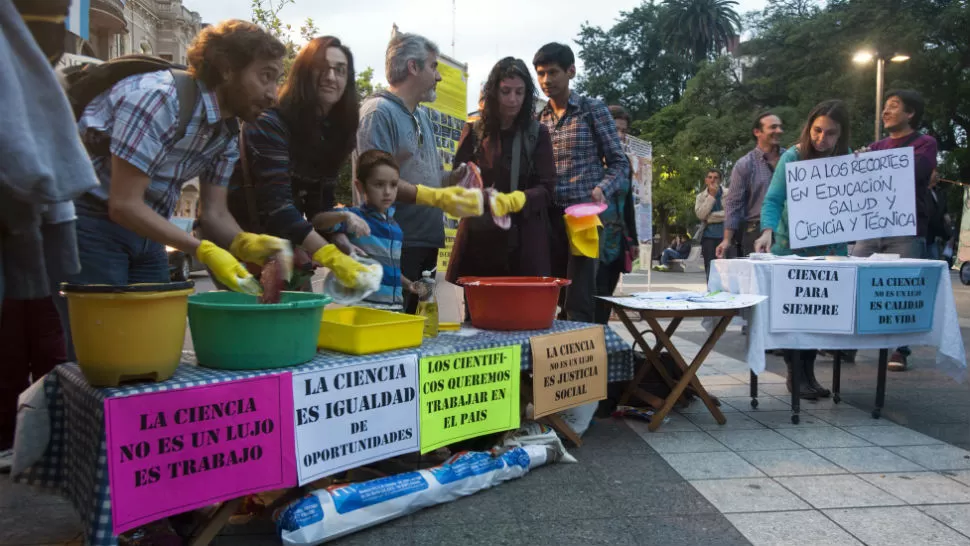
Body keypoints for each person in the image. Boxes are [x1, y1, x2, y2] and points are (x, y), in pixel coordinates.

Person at [71, 20, 292, 297]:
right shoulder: (160, 99)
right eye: (265, 76)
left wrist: (244, 243)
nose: (273, 95)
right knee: (101, 334)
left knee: (155, 330)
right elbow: (124, 204)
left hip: (149, 230)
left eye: (277, 80)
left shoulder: (227, 130)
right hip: (91, 220)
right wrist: (203, 249)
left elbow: (215, 213)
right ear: (226, 69)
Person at [225, 36, 373, 291]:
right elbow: (279, 208)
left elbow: (318, 211)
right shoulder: (271, 121)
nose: (331, 77)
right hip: (239, 244)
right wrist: (332, 257)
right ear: (304, 72)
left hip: (286, 248)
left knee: (301, 323)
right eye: (322, 68)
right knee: (259, 328)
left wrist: (340, 237)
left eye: (340, 70)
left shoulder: (334, 133)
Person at [357, 32, 483, 314]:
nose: (438, 77)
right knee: (388, 335)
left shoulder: (422, 115)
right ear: (413, 67)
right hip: (390, 244)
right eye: (433, 67)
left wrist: (456, 178)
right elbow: (376, 186)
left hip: (425, 241)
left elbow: (431, 179)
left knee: (413, 332)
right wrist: (433, 196)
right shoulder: (378, 112)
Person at [754, 99, 852, 400]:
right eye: (817, 130)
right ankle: (796, 373)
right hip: (791, 248)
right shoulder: (792, 157)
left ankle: (808, 373)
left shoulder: (847, 158)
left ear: (842, 135)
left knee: (819, 313)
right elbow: (773, 199)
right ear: (809, 127)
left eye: (831, 133)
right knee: (797, 312)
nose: (822, 139)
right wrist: (767, 231)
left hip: (831, 249)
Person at [534, 42, 630, 323]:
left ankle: (581, 363)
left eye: (553, 72)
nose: (546, 81)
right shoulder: (539, 119)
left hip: (584, 219)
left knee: (579, 301)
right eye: (540, 73)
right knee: (548, 296)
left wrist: (602, 189)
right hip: (547, 218)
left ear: (571, 71)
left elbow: (619, 162)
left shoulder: (592, 110)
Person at [445, 57, 556, 283]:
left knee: (523, 315)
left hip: (524, 242)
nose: (512, 100)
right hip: (481, 238)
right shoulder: (474, 130)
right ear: (494, 91)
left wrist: (513, 200)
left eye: (519, 92)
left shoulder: (537, 133)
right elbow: (457, 183)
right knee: (479, 316)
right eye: (506, 91)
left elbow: (548, 188)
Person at [850, 89, 938, 372]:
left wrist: (871, 164)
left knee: (903, 285)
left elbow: (916, 172)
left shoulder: (925, 144)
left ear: (910, 113)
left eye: (893, 106)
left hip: (906, 228)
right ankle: (849, 343)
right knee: (856, 278)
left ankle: (900, 348)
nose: (885, 112)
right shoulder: (875, 147)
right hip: (872, 224)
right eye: (885, 107)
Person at [314, 150, 420, 307]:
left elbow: (389, 271)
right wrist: (344, 216)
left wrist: (408, 284)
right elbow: (318, 222)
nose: (387, 192)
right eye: (379, 184)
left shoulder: (396, 229)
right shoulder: (354, 217)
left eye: (393, 185)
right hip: (362, 308)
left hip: (394, 309)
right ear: (360, 186)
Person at [593, 104, 639, 324]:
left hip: (617, 239)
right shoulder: (590, 159)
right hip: (591, 237)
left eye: (624, 131)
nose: (620, 135)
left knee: (606, 296)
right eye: (615, 129)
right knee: (588, 297)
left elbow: (628, 203)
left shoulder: (625, 164)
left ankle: (601, 342)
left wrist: (634, 239)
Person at [717, 112, 784, 259]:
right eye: (773, 127)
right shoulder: (745, 165)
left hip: (788, 231)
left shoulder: (790, 159)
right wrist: (727, 239)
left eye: (780, 127)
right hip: (756, 232)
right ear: (757, 132)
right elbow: (734, 204)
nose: (779, 131)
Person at [695, 168, 728, 279]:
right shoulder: (700, 197)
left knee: (725, 269)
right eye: (710, 177)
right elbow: (700, 215)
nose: (712, 180)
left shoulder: (728, 194)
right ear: (706, 180)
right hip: (708, 237)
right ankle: (710, 291)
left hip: (726, 236)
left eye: (715, 178)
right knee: (709, 268)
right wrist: (711, 196)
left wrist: (710, 218)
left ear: (720, 180)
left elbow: (730, 213)